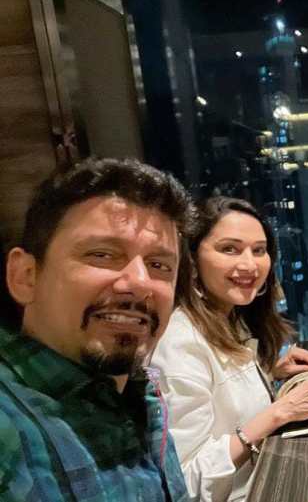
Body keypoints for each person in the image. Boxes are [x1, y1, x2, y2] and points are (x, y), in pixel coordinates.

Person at [0, 158, 194, 501]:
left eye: (159, 265)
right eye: (102, 254)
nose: (139, 282)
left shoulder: (141, 395)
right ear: (25, 276)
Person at [150, 197, 308, 502]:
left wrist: (269, 372)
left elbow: (221, 400)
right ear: (191, 259)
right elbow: (185, 482)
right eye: (229, 249)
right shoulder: (179, 344)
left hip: (270, 479)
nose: (249, 264)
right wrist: (280, 411)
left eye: (259, 250)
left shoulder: (229, 314)